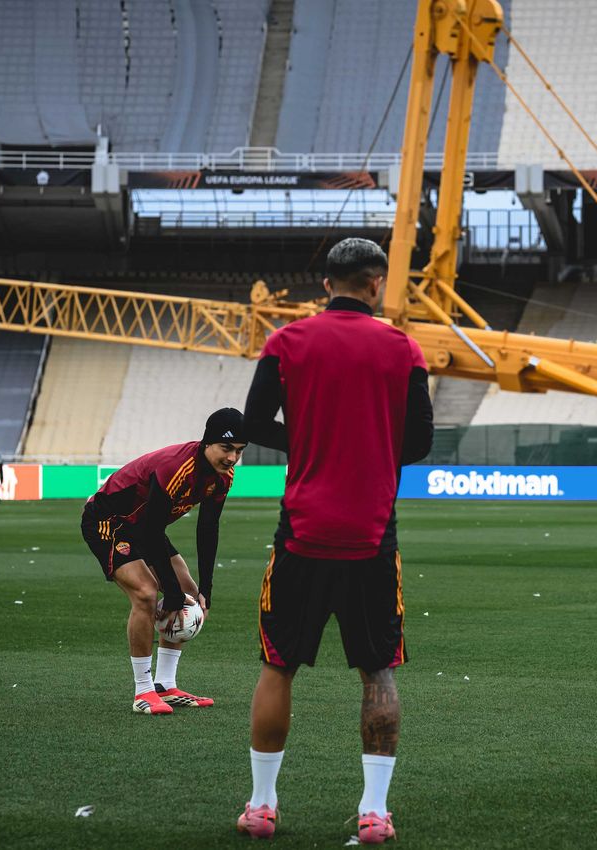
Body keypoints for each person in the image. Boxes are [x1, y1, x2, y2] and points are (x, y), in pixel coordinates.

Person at [238, 238, 433, 843]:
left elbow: (249, 423)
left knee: (278, 666)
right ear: (376, 285)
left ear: (327, 285)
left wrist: (311, 442)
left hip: (301, 531)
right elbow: (421, 443)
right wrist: (368, 446)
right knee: (377, 672)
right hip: (371, 535)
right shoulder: (404, 348)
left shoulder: (287, 342)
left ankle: (262, 806)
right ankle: (374, 812)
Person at [80, 408, 247, 716]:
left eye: (238, 451)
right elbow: (148, 533)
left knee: (188, 589)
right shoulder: (177, 468)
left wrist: (205, 589)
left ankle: (165, 685)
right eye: (226, 449)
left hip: (145, 525)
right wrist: (168, 592)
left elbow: (208, 528)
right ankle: (142, 691)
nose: (232, 458)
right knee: (147, 593)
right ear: (208, 443)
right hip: (109, 521)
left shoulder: (223, 476)